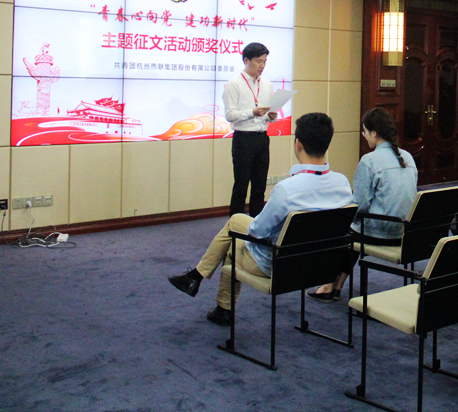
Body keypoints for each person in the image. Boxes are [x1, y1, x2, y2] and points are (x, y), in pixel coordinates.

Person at [167, 113, 353, 326]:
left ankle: (210, 292)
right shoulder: (342, 184)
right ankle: (202, 285)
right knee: (237, 223)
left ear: (298, 144)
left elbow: (257, 231)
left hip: (279, 266)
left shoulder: (287, 190)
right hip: (321, 265)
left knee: (234, 238)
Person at [308, 108, 418, 302]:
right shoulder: (408, 157)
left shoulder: (369, 161)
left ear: (374, 133)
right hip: (406, 231)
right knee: (354, 228)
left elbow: (359, 205)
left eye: (364, 131)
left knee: (342, 228)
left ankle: (328, 285)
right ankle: (336, 285)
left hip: (381, 231)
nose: (363, 135)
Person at [223, 42, 278, 217]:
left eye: (264, 62)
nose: (262, 66)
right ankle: (235, 225)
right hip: (243, 139)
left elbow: (267, 113)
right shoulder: (234, 84)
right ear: (246, 60)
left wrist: (271, 116)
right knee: (241, 185)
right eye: (258, 61)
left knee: (260, 186)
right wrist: (252, 112)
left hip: (262, 138)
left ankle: (257, 224)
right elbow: (230, 115)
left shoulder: (267, 84)